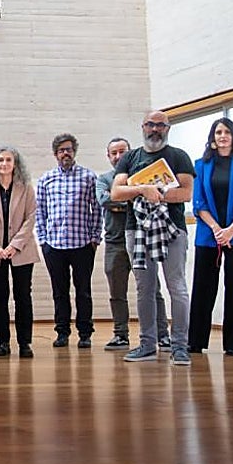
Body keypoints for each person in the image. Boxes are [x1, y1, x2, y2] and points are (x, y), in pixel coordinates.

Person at [111, 111, 195, 365]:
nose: (155, 129)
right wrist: (142, 189)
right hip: (136, 230)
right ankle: (147, 344)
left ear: (167, 129)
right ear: (143, 127)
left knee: (177, 287)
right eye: (150, 124)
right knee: (144, 288)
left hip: (172, 229)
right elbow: (116, 192)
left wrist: (155, 193)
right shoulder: (130, 157)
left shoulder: (179, 156)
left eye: (160, 125)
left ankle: (180, 346)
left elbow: (186, 193)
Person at [188, 117, 233, 356]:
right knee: (203, 286)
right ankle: (195, 341)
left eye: (227, 132)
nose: (223, 136)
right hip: (209, 233)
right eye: (218, 132)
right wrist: (217, 229)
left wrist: (231, 229)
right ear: (212, 138)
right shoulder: (201, 165)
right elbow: (198, 202)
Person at [96, 137, 168, 351]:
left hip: (141, 239)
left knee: (152, 289)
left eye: (122, 152)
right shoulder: (104, 179)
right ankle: (121, 335)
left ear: (130, 153)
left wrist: (124, 196)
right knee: (117, 292)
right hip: (114, 242)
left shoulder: (143, 176)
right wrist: (136, 195)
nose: (118, 156)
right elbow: (104, 200)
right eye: (114, 153)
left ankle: (162, 335)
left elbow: (152, 198)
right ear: (108, 156)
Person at [35, 133, 103, 349]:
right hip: (54, 246)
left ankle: (85, 333)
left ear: (74, 152)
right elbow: (40, 212)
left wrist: (95, 237)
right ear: (56, 154)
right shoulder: (46, 179)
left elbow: (97, 209)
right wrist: (43, 240)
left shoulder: (88, 177)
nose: (66, 153)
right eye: (62, 150)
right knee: (59, 292)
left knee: (83, 291)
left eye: (69, 149)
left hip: (82, 244)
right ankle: (62, 332)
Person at [0, 146, 38, 358]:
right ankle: (3, 341)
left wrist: (14, 246)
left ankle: (24, 343)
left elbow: (31, 218)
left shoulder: (26, 188)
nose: (4, 164)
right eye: (0, 160)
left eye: (8, 160)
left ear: (15, 164)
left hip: (21, 251)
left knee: (23, 297)